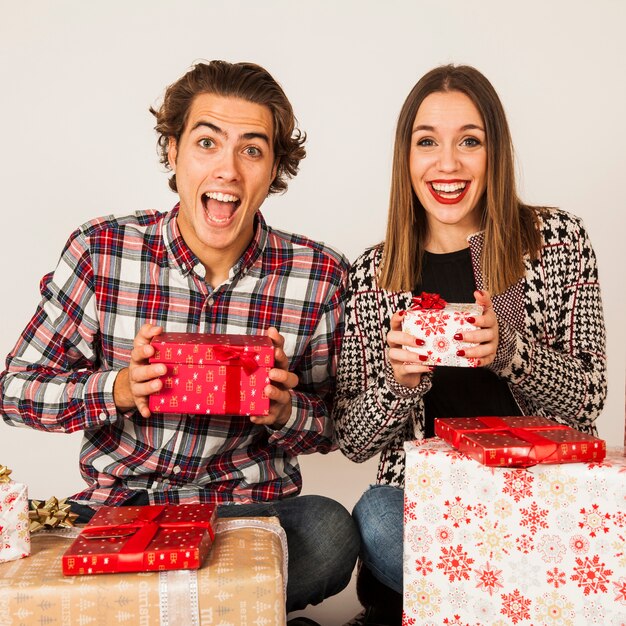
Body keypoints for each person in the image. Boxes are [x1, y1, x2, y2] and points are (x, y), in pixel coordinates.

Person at [0, 60, 359, 620]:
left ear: (275, 168)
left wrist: (285, 411)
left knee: (330, 530)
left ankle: (160, 608)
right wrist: (115, 388)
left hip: (247, 510)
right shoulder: (101, 250)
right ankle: (221, 609)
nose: (228, 170)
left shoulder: (320, 273)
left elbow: (341, 423)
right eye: (207, 142)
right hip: (120, 508)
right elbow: (15, 390)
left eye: (252, 149)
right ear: (172, 150)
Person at [333, 64, 607, 626]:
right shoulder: (374, 273)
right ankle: (516, 603)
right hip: (432, 507)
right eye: (427, 141)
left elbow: (586, 401)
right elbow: (353, 441)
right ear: (406, 157)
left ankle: (466, 603)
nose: (448, 163)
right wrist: (399, 385)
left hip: (538, 498)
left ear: (494, 153)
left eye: (470, 142)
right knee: (378, 517)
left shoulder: (558, 242)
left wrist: (509, 348)